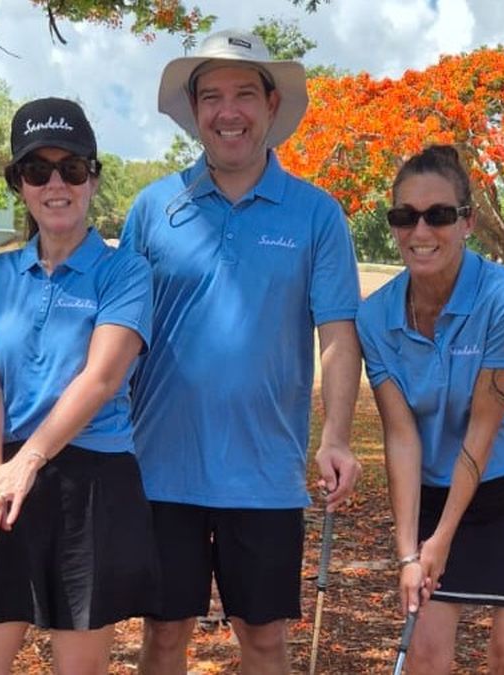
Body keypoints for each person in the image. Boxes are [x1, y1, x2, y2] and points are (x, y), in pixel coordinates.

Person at [121, 29, 363, 674]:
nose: (228, 112)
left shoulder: (316, 215)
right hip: (161, 466)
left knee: (262, 639)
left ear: (271, 104)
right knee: (164, 635)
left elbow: (337, 333)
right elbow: (119, 336)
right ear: (195, 111)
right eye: (212, 97)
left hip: (265, 473)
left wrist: (336, 437)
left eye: (243, 95)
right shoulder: (153, 209)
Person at [0, 97, 159, 675]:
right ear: (19, 183)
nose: (55, 183)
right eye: (37, 171)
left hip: (92, 479)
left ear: (93, 176)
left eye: (71, 168)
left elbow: (103, 376)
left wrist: (29, 462)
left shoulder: (126, 270)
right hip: (4, 470)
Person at [356, 146, 504, 674]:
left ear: (468, 220)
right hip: (433, 487)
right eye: (404, 216)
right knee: (426, 656)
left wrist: (443, 539)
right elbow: (402, 437)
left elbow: (483, 428)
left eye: (439, 215)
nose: (420, 230)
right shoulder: (375, 315)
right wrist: (410, 552)